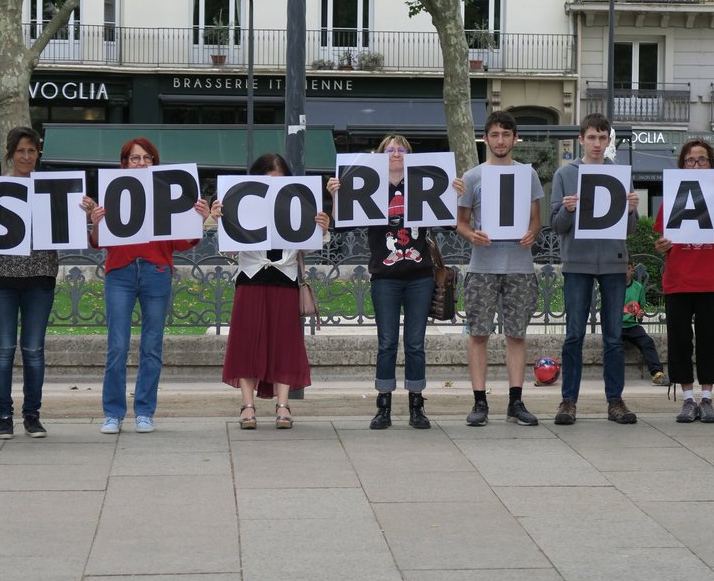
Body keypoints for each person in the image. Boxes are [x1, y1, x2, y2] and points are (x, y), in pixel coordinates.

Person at [326, 135, 464, 430]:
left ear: (410, 155)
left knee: (415, 343)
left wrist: (456, 194)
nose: (396, 153)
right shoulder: (369, 186)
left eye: (402, 149)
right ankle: (383, 405)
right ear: (380, 155)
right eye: (390, 149)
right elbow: (342, 223)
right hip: (385, 275)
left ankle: (417, 404)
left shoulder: (422, 184)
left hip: (419, 274)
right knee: (386, 343)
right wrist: (337, 196)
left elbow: (451, 221)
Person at [85, 138, 211, 435]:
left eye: (147, 159)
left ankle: (144, 411)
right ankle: (113, 413)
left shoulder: (165, 194)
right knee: (117, 346)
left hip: (156, 270)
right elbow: (97, 242)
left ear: (155, 163)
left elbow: (181, 242)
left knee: (152, 346)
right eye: (135, 159)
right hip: (121, 272)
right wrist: (95, 223)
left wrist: (198, 220)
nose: (141, 164)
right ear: (124, 163)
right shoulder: (113, 193)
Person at [205, 153, 331, 429]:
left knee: (284, 343)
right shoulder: (241, 204)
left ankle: (283, 405)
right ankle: (247, 406)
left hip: (284, 278)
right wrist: (218, 221)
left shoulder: (296, 204)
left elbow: (308, 246)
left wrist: (321, 229)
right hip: (250, 278)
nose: (274, 187)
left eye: (279, 181)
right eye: (267, 181)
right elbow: (228, 250)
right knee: (247, 342)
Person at [550, 112, 640, 425]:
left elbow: (628, 229)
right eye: (592, 137)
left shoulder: (620, 173)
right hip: (577, 262)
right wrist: (567, 209)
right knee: (574, 334)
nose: (598, 144)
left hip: (614, 263)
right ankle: (568, 401)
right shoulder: (566, 173)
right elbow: (555, 225)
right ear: (581, 139)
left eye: (603, 138)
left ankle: (615, 401)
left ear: (608, 140)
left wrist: (631, 210)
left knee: (614, 337)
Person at [455, 110, 544, 427]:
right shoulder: (472, 176)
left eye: (507, 134)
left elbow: (536, 217)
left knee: (516, 335)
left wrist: (532, 232)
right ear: (486, 138)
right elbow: (461, 223)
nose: (501, 140)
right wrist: (472, 235)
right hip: (483, 266)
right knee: (478, 334)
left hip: (519, 266)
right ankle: (479, 402)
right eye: (495, 134)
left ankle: (515, 401)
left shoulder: (528, 175)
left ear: (514, 138)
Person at [0, 127, 55, 439]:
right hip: (1, 278)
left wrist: (80, 210)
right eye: (21, 151)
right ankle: (3, 414)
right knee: (3, 348)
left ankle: (32, 414)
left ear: (38, 154)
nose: (27, 157)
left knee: (33, 349)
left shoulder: (50, 189)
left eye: (32, 151)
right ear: (11, 154)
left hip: (40, 276)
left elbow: (66, 229)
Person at [653, 138, 714, 424]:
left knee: (711, 341)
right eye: (691, 160)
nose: (696, 164)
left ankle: (708, 398)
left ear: (710, 164)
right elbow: (662, 240)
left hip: (711, 280)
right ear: (682, 164)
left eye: (701, 160)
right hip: (679, 280)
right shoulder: (673, 196)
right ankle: (688, 398)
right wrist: (661, 246)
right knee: (680, 341)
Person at [622, 260, 666, 386]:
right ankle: (614, 376)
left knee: (647, 342)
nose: (624, 272)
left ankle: (657, 373)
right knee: (614, 346)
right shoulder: (613, 286)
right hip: (616, 326)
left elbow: (640, 309)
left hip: (632, 326)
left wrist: (640, 313)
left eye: (627, 268)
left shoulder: (638, 287)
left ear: (632, 270)